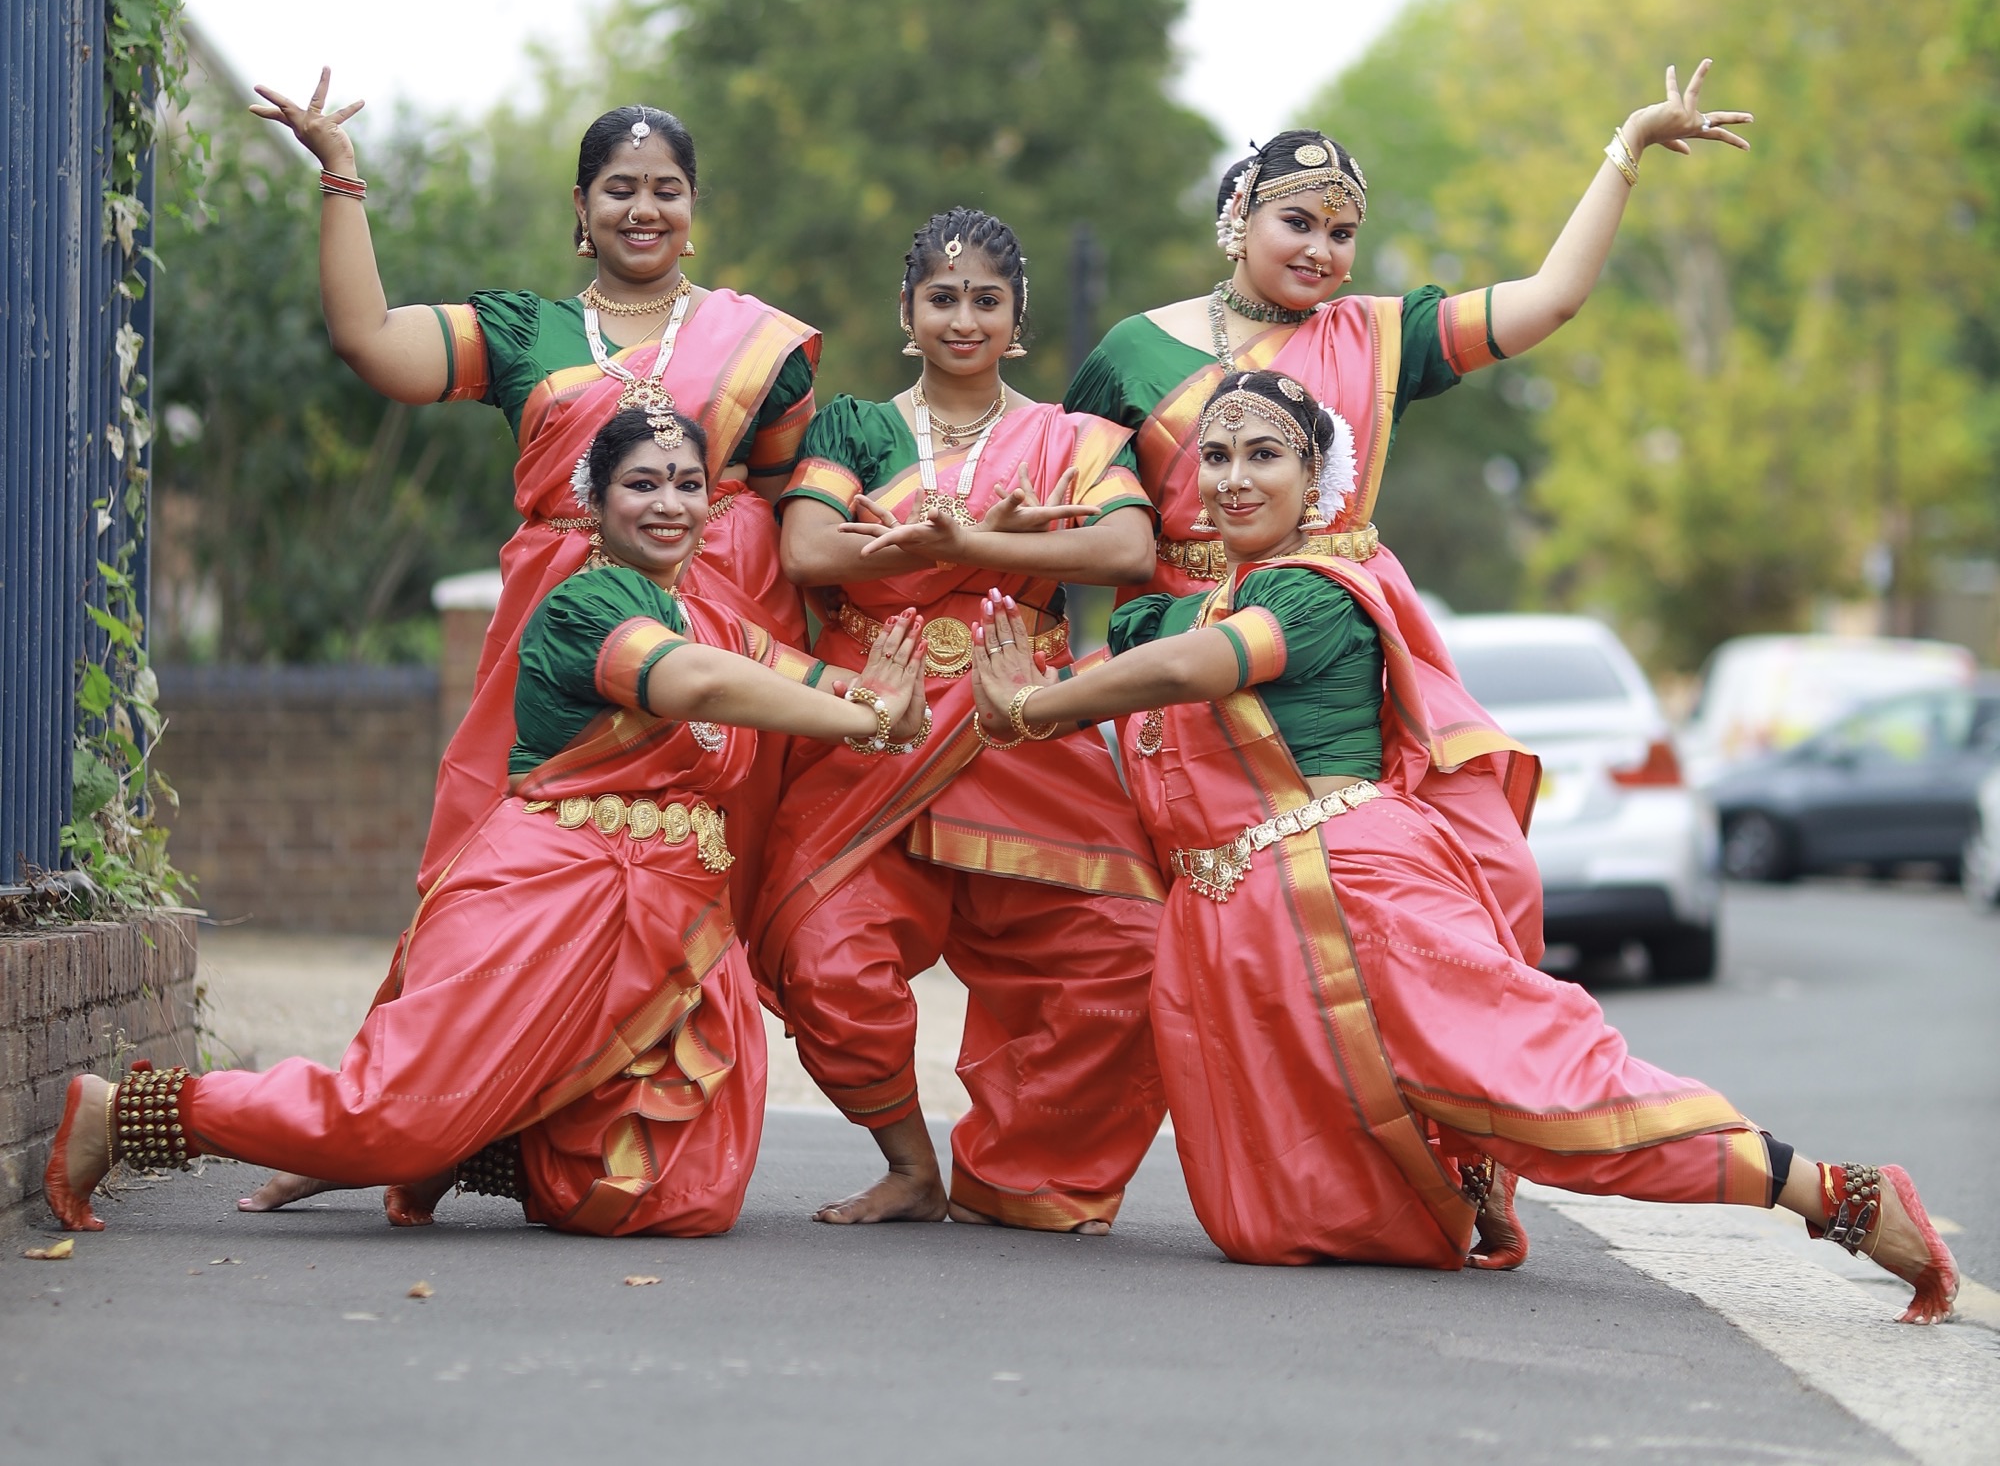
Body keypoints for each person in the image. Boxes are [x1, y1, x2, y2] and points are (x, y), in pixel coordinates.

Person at [966, 370, 1958, 1324]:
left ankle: (1834, 1192)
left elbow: (1193, 669)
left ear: (1315, 480)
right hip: (1236, 928)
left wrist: (1035, 707)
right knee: (1267, 1218)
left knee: (1539, 1083)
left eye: (1263, 453)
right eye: (1213, 454)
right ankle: (1461, 1165)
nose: (1231, 475)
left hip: (1353, 890)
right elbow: (1136, 678)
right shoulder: (1169, 608)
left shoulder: (1317, 591)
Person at [43, 408, 930, 1238]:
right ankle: (131, 1113)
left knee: (672, 1192)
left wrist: (898, 702)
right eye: (643, 483)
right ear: (596, 499)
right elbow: (690, 685)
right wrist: (868, 717)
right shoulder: (590, 605)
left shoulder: (719, 621)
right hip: (552, 895)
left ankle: (448, 1141)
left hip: (666, 925)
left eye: (690, 483)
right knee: (389, 1117)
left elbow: (826, 688)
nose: (670, 503)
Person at [1064, 60, 1755, 967]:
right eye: (1298, 222)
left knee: (1454, 891)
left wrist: (1625, 150)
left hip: (1333, 641)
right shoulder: (1133, 353)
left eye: (1343, 233)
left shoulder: (1380, 335)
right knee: (1195, 932)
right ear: (1238, 220)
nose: (1322, 250)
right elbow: (1073, 510)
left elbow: (1550, 299)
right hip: (1186, 661)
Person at [249, 76, 820, 891]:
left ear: (694, 207)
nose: (643, 208)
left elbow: (782, 507)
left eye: (667, 190)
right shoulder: (525, 334)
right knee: (516, 846)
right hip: (560, 631)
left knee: (699, 858)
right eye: (619, 189)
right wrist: (340, 173)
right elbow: (369, 341)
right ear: (582, 207)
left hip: (713, 625)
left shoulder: (762, 346)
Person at [762, 209, 1167, 1232]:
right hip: (876, 726)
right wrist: (986, 547)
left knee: (1130, 948)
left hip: (1019, 727)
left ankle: (1023, 1168)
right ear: (906, 313)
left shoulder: (1072, 439)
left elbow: (1123, 550)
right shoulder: (853, 427)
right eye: (941, 297)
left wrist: (961, 540)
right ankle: (907, 1163)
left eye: (986, 298)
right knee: (823, 957)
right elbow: (809, 550)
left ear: (1017, 322)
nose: (962, 315)